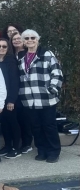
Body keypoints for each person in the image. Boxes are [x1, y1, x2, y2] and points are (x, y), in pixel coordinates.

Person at [18, 29, 63, 163]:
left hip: (46, 98)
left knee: (49, 125)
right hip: (29, 99)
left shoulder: (46, 54)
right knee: (36, 127)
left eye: (33, 38)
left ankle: (53, 151)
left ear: (37, 39)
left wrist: (52, 90)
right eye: (26, 38)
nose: (30, 40)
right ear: (24, 42)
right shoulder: (21, 56)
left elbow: (57, 73)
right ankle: (41, 150)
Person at [0, 38, 22, 159]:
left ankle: (16, 147)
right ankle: (7, 145)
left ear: (8, 48)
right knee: (4, 123)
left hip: (10, 99)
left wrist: (11, 100)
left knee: (12, 123)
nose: (1, 48)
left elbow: (14, 82)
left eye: (4, 46)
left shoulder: (11, 62)